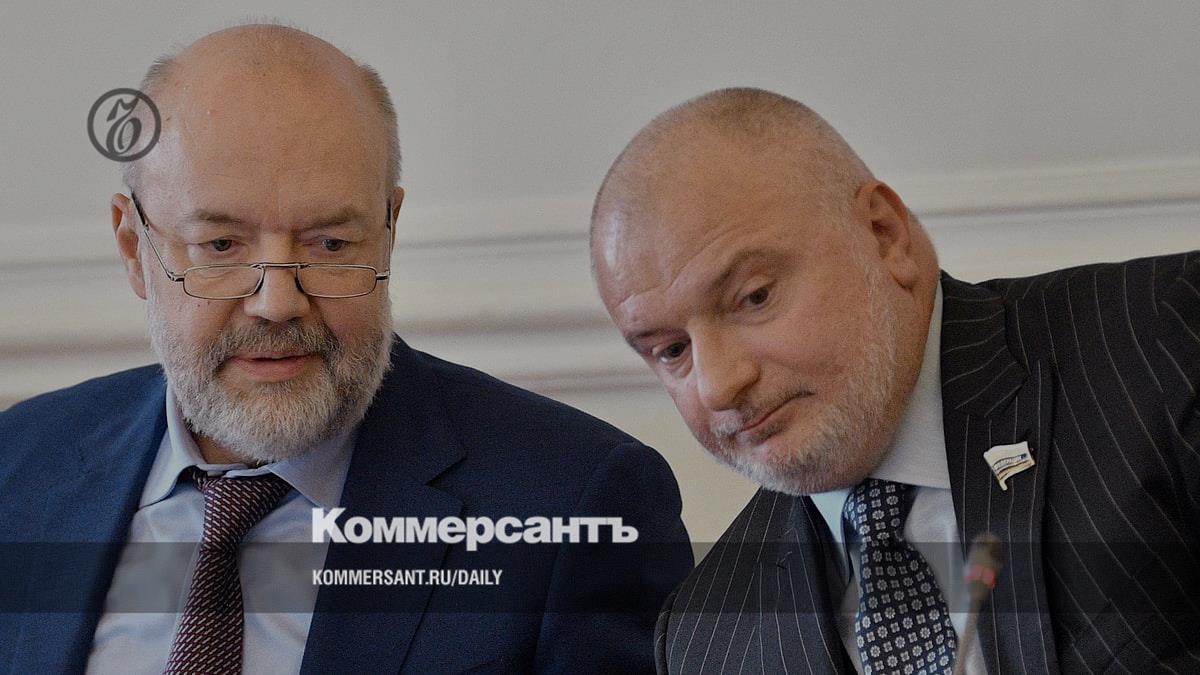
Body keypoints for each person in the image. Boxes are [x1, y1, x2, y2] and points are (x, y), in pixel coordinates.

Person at [0, 24, 692, 674]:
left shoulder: (572, 504)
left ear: (388, 231)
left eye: (330, 244)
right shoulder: (19, 469)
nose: (278, 301)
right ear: (133, 247)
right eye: (221, 245)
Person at [590, 87, 1200, 674]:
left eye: (755, 297)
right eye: (672, 351)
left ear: (884, 236)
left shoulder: (1166, 340)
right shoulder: (706, 637)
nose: (719, 386)